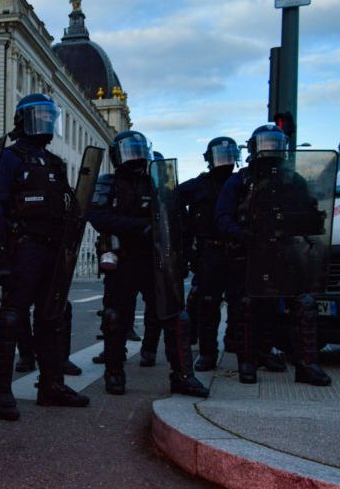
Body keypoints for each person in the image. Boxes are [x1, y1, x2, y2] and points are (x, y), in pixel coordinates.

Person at [0, 93, 91, 421]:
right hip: (24, 247)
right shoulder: (9, 159)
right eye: (38, 116)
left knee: (52, 317)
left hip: (53, 250)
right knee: (12, 317)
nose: (44, 122)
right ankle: (0, 391)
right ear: (24, 120)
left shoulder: (55, 163)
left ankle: (51, 385)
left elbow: (70, 207)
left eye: (49, 116)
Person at [88, 130, 207, 397]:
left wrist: (183, 255)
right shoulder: (108, 183)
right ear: (117, 156)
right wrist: (139, 228)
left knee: (175, 317)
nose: (136, 157)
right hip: (124, 259)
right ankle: (114, 372)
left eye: (139, 150)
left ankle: (183, 375)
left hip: (158, 261)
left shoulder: (158, 184)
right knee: (115, 317)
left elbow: (180, 221)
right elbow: (96, 215)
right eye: (130, 151)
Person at [216, 124, 331, 386]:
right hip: (250, 255)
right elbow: (222, 217)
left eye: (274, 143)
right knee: (248, 307)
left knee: (304, 305)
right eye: (265, 144)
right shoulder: (241, 180)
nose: (271, 149)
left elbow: (312, 214)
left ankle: (307, 364)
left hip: (285, 253)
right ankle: (248, 363)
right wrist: (242, 234)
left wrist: (306, 224)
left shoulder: (294, 181)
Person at [177, 137, 245, 371]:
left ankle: (235, 342)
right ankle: (208, 352)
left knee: (240, 303)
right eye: (220, 157)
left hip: (238, 249)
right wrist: (188, 227)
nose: (224, 162)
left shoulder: (242, 182)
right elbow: (172, 200)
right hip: (210, 251)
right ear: (209, 159)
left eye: (228, 157)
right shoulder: (199, 185)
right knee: (208, 304)